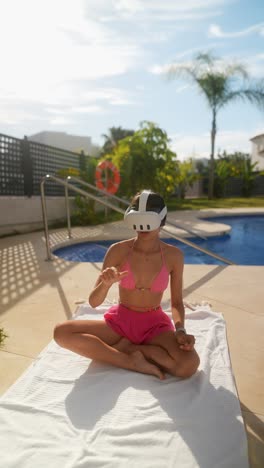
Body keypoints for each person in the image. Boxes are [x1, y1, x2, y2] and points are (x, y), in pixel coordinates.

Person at [54, 190, 200, 380]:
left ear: (161, 220)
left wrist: (180, 330)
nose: (142, 227)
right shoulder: (118, 250)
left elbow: (176, 303)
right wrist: (105, 285)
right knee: (61, 332)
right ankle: (128, 361)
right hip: (121, 323)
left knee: (189, 365)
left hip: (154, 326)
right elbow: (94, 302)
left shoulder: (174, 256)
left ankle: (133, 349)